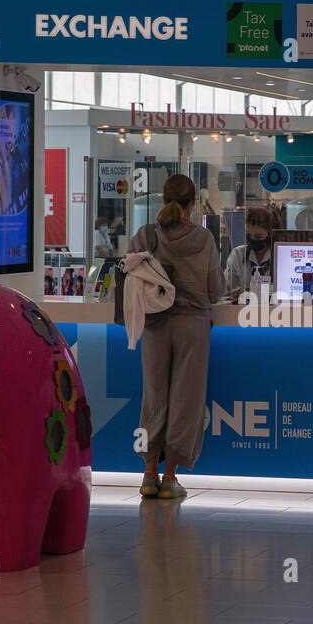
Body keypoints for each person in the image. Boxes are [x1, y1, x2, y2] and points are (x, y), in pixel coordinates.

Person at [129, 174, 222, 499]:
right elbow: (216, 289)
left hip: (154, 324)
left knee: (154, 396)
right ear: (193, 203)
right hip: (192, 325)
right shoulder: (205, 239)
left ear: (162, 198)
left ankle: (148, 473)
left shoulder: (144, 235)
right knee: (187, 399)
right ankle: (171, 477)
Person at [225, 205, 275, 300]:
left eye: (258, 237)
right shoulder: (237, 255)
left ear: (269, 235)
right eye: (249, 235)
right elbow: (226, 286)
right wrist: (234, 292)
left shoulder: (278, 257)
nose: (253, 240)